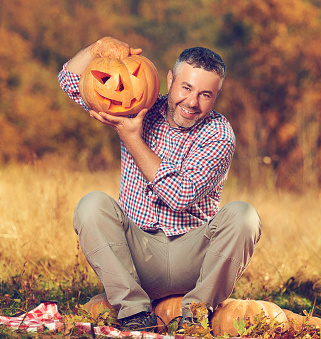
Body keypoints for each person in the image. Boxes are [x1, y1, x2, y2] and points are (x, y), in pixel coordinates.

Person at [58, 37, 262, 332]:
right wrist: (96, 48)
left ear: (217, 94)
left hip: (193, 256)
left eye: (206, 94)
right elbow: (69, 81)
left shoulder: (220, 134)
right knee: (91, 205)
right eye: (186, 88)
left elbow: (179, 196)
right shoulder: (138, 104)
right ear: (170, 79)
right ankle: (134, 312)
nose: (192, 102)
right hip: (137, 255)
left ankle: (195, 314)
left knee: (244, 216)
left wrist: (131, 139)